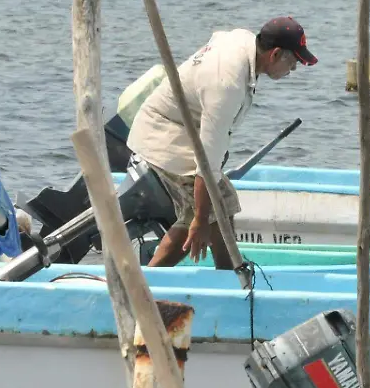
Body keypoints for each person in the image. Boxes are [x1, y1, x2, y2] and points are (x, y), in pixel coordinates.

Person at [126, 16, 317, 268]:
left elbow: (218, 37)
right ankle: (151, 281)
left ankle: (226, 273)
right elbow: (207, 163)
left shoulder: (244, 41)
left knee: (221, 205)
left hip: (184, 128)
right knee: (206, 211)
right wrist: (201, 219)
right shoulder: (227, 83)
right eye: (292, 62)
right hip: (164, 133)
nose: (292, 70)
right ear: (275, 54)